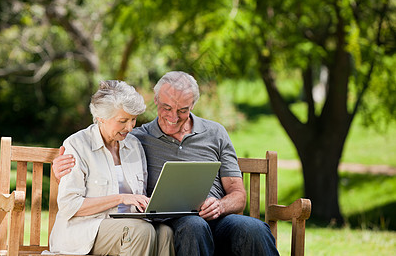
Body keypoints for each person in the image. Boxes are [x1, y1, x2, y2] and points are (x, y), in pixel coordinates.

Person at [53, 72, 279, 256]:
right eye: (166, 108)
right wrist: (58, 169)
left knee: (254, 228)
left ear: (193, 105)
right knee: (193, 226)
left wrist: (220, 205)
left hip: (218, 218)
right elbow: (95, 152)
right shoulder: (138, 138)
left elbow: (238, 196)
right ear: (156, 101)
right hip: (178, 223)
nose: (173, 116)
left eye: (183, 110)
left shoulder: (215, 133)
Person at [48, 80, 174, 255]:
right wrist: (120, 198)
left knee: (165, 233)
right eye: (122, 120)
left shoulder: (134, 145)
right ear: (101, 118)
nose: (130, 127)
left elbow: (139, 196)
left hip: (129, 226)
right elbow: (70, 205)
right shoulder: (77, 144)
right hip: (85, 231)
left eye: (133, 120)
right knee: (139, 231)